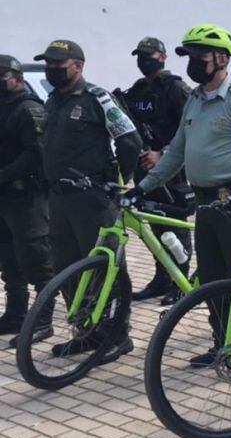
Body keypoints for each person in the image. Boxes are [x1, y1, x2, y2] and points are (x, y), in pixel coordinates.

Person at [133, 24, 231, 383]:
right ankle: (224, 342)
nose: (194, 64)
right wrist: (143, 186)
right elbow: (176, 153)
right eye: (189, 58)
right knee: (213, 280)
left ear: (222, 59)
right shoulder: (195, 100)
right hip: (203, 204)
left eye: (201, 58)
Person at [38, 39, 142, 362]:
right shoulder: (53, 100)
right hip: (60, 199)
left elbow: (130, 140)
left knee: (104, 267)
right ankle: (87, 332)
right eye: (49, 65)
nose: (52, 70)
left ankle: (117, 335)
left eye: (59, 64)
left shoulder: (98, 98)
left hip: (93, 199)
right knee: (66, 268)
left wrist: (118, 183)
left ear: (78, 66)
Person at [119, 37, 192, 305]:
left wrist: (162, 154)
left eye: (148, 55)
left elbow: (190, 128)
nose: (143, 60)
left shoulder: (177, 89)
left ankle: (181, 282)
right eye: (139, 55)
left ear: (162, 56)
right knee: (155, 228)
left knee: (175, 227)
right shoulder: (137, 90)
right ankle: (162, 278)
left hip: (171, 170)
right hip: (145, 170)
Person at [0, 55, 53, 344]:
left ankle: (43, 319)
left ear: (18, 79)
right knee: (8, 258)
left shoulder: (28, 109)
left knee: (37, 257)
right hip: (5, 197)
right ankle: (16, 314)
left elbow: (35, 155)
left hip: (26, 196)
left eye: (2, 76)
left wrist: (4, 174)